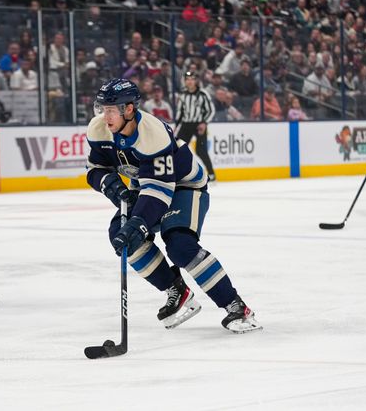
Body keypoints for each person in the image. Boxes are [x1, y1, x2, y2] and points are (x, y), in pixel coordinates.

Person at [85, 78, 261, 333]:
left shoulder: (153, 134)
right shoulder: (99, 129)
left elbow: (160, 190)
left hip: (184, 187)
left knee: (179, 245)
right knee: (121, 237)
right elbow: (95, 169)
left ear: (129, 110)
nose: (105, 115)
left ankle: (236, 306)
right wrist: (113, 186)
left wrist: (139, 222)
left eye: (111, 109)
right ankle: (176, 291)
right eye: (102, 109)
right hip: (145, 187)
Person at [175, 71, 216, 181]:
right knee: (178, 149)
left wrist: (204, 123)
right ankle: (177, 174)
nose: (190, 81)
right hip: (186, 124)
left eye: (192, 79)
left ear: (196, 81)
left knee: (201, 150)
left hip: (199, 125)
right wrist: (176, 126)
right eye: (187, 79)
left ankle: (211, 174)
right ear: (184, 81)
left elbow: (211, 110)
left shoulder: (203, 94)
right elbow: (180, 111)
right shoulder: (183, 94)